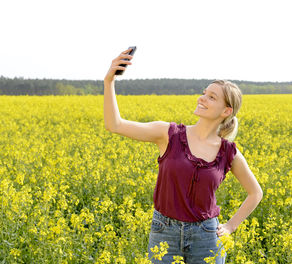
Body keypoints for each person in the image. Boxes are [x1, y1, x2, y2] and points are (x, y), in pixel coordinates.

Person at [104, 48, 263, 264]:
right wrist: (109, 81)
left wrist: (230, 226)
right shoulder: (169, 134)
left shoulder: (228, 152)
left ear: (226, 111)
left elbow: (255, 193)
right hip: (164, 233)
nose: (202, 98)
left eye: (211, 97)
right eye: (204, 93)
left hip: (207, 237)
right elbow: (115, 125)